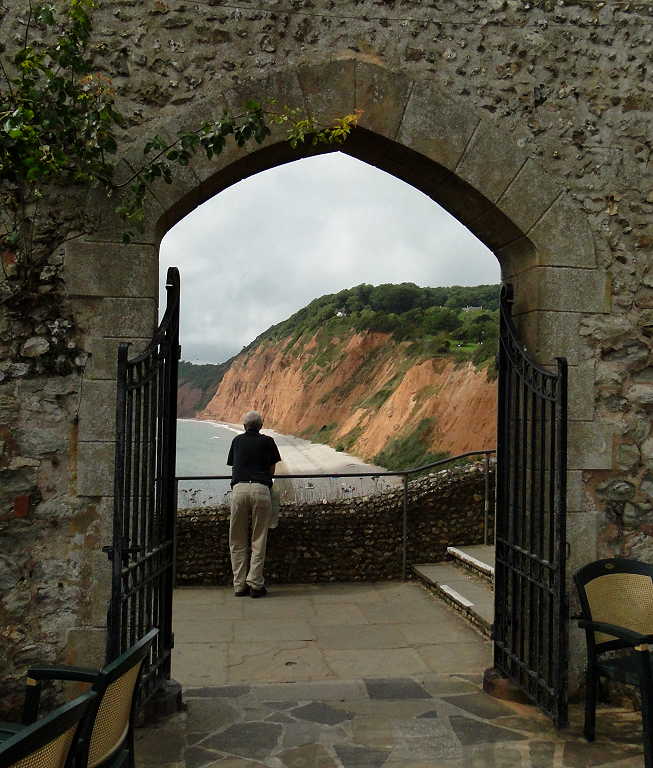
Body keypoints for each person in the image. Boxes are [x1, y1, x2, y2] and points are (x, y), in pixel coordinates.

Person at [226, 410, 282, 598]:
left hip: (240, 489)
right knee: (259, 538)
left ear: (244, 426)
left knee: (237, 539)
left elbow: (235, 466)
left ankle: (239, 585)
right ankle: (256, 584)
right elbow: (272, 469)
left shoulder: (237, 441)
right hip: (260, 489)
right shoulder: (268, 441)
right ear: (261, 426)